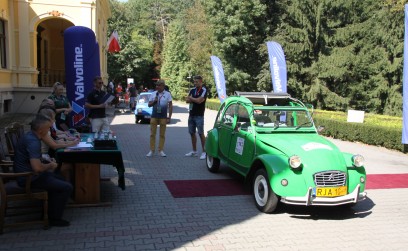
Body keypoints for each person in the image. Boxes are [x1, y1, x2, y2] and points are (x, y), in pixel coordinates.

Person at [13, 114, 73, 227]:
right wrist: (50, 165)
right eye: (48, 128)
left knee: (60, 178)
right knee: (66, 187)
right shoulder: (33, 142)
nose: (49, 130)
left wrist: (45, 160)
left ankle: (49, 209)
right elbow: (37, 168)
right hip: (28, 178)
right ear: (41, 130)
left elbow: (34, 161)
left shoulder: (31, 136)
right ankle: (54, 219)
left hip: (31, 174)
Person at [146, 80, 173, 157]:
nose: (157, 87)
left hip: (163, 117)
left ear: (163, 86)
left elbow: (170, 106)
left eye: (159, 85)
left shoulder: (167, 94)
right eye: (156, 85)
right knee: (152, 134)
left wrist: (169, 117)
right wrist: (154, 101)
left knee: (162, 135)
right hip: (154, 116)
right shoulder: (153, 94)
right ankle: (151, 150)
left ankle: (160, 150)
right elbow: (149, 105)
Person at [185, 75, 208, 160]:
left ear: (201, 81)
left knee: (201, 133)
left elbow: (199, 101)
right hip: (191, 115)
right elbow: (187, 100)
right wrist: (194, 99)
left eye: (197, 82)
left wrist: (192, 98)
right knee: (192, 133)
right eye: (194, 82)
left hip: (199, 115)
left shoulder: (204, 90)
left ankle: (204, 152)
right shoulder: (192, 90)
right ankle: (194, 151)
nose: (195, 83)